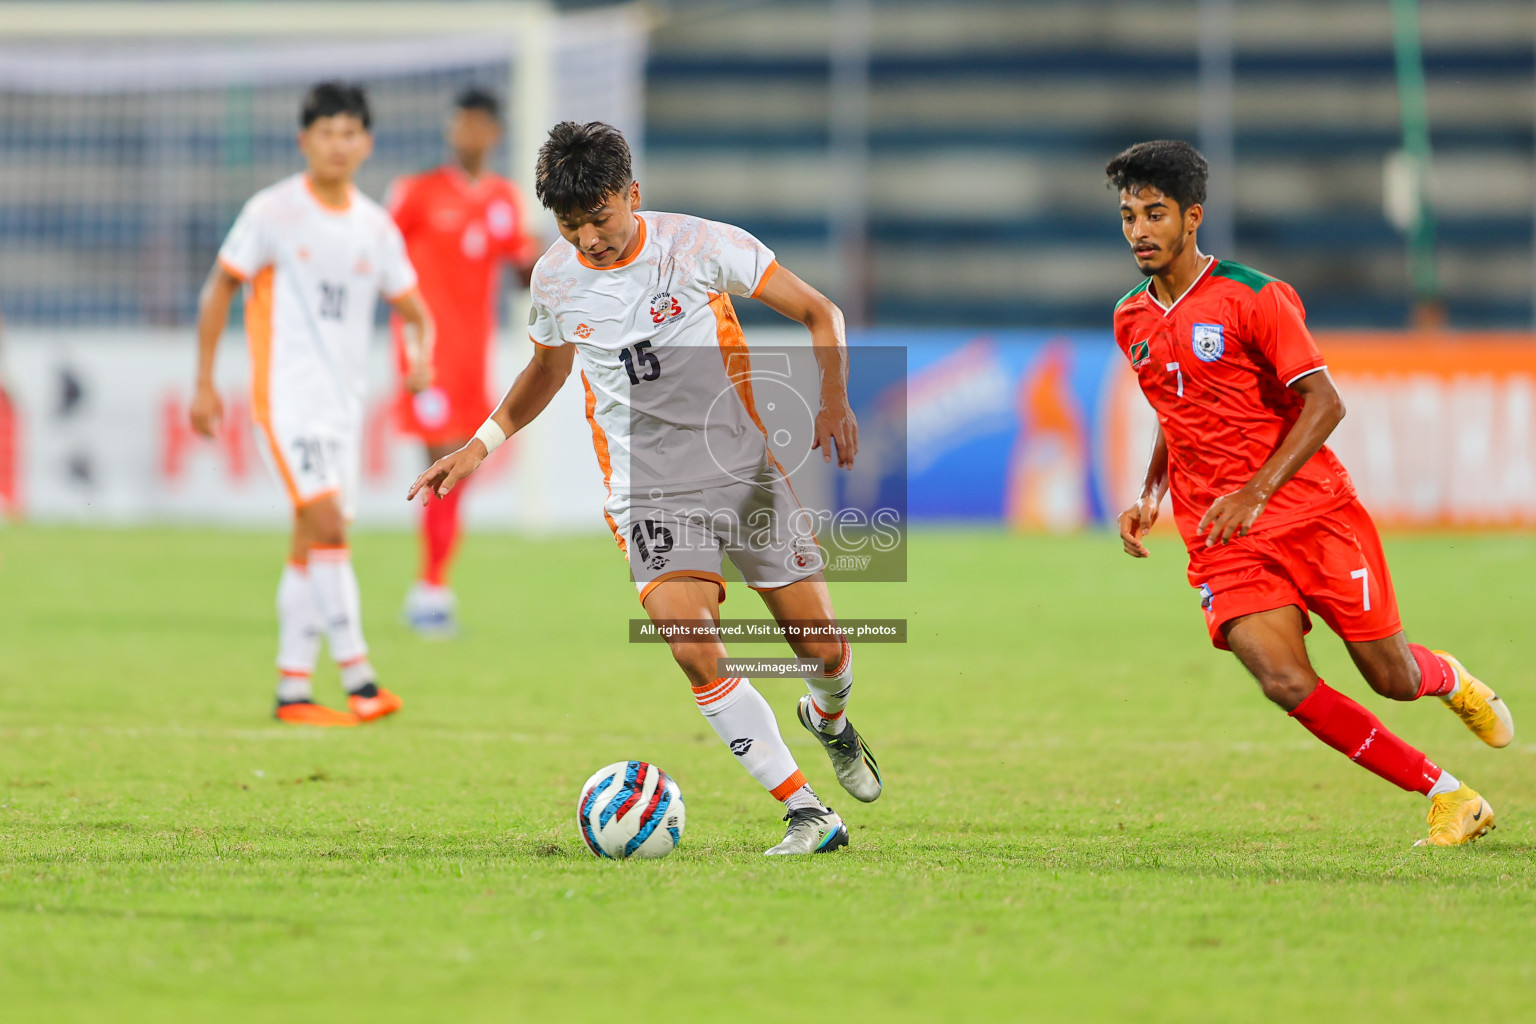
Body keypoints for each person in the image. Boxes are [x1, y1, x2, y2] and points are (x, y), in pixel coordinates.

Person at [409, 121, 881, 855]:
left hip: (743, 474)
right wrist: (480, 443)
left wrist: (833, 401)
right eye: (571, 226)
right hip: (648, 492)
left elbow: (822, 311)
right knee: (694, 650)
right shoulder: (555, 277)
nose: (588, 239)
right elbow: (547, 368)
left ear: (633, 194)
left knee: (821, 648)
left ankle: (829, 719)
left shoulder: (700, 247)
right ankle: (807, 812)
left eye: (599, 218)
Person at [1108, 139, 1513, 847]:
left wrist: (1257, 492)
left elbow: (1325, 402)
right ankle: (1449, 796)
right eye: (1128, 216)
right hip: (1222, 533)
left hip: (1311, 512)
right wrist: (1151, 491)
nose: (1140, 231)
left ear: (1192, 217)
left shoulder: (1254, 296)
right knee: (1283, 680)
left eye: (1155, 214)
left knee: (1390, 675)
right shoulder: (1130, 318)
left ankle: (1447, 678)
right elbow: (1176, 410)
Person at [192, 81, 433, 726]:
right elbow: (221, 288)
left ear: (367, 143)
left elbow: (415, 311)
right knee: (326, 523)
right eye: (326, 131)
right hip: (286, 401)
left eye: (349, 131)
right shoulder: (272, 212)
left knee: (312, 538)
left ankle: (293, 691)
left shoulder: (375, 228)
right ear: (304, 140)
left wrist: (421, 359)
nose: (338, 143)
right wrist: (205, 380)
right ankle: (360, 678)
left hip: (342, 409)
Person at [387, 87, 539, 636]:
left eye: (476, 125)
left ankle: (431, 584)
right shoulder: (417, 193)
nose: (466, 135)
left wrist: (556, 254)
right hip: (426, 352)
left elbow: (523, 268)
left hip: (474, 356)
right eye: (459, 125)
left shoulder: (502, 199)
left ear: (493, 133)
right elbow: (379, 255)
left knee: (462, 465)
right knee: (442, 455)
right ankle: (431, 589)